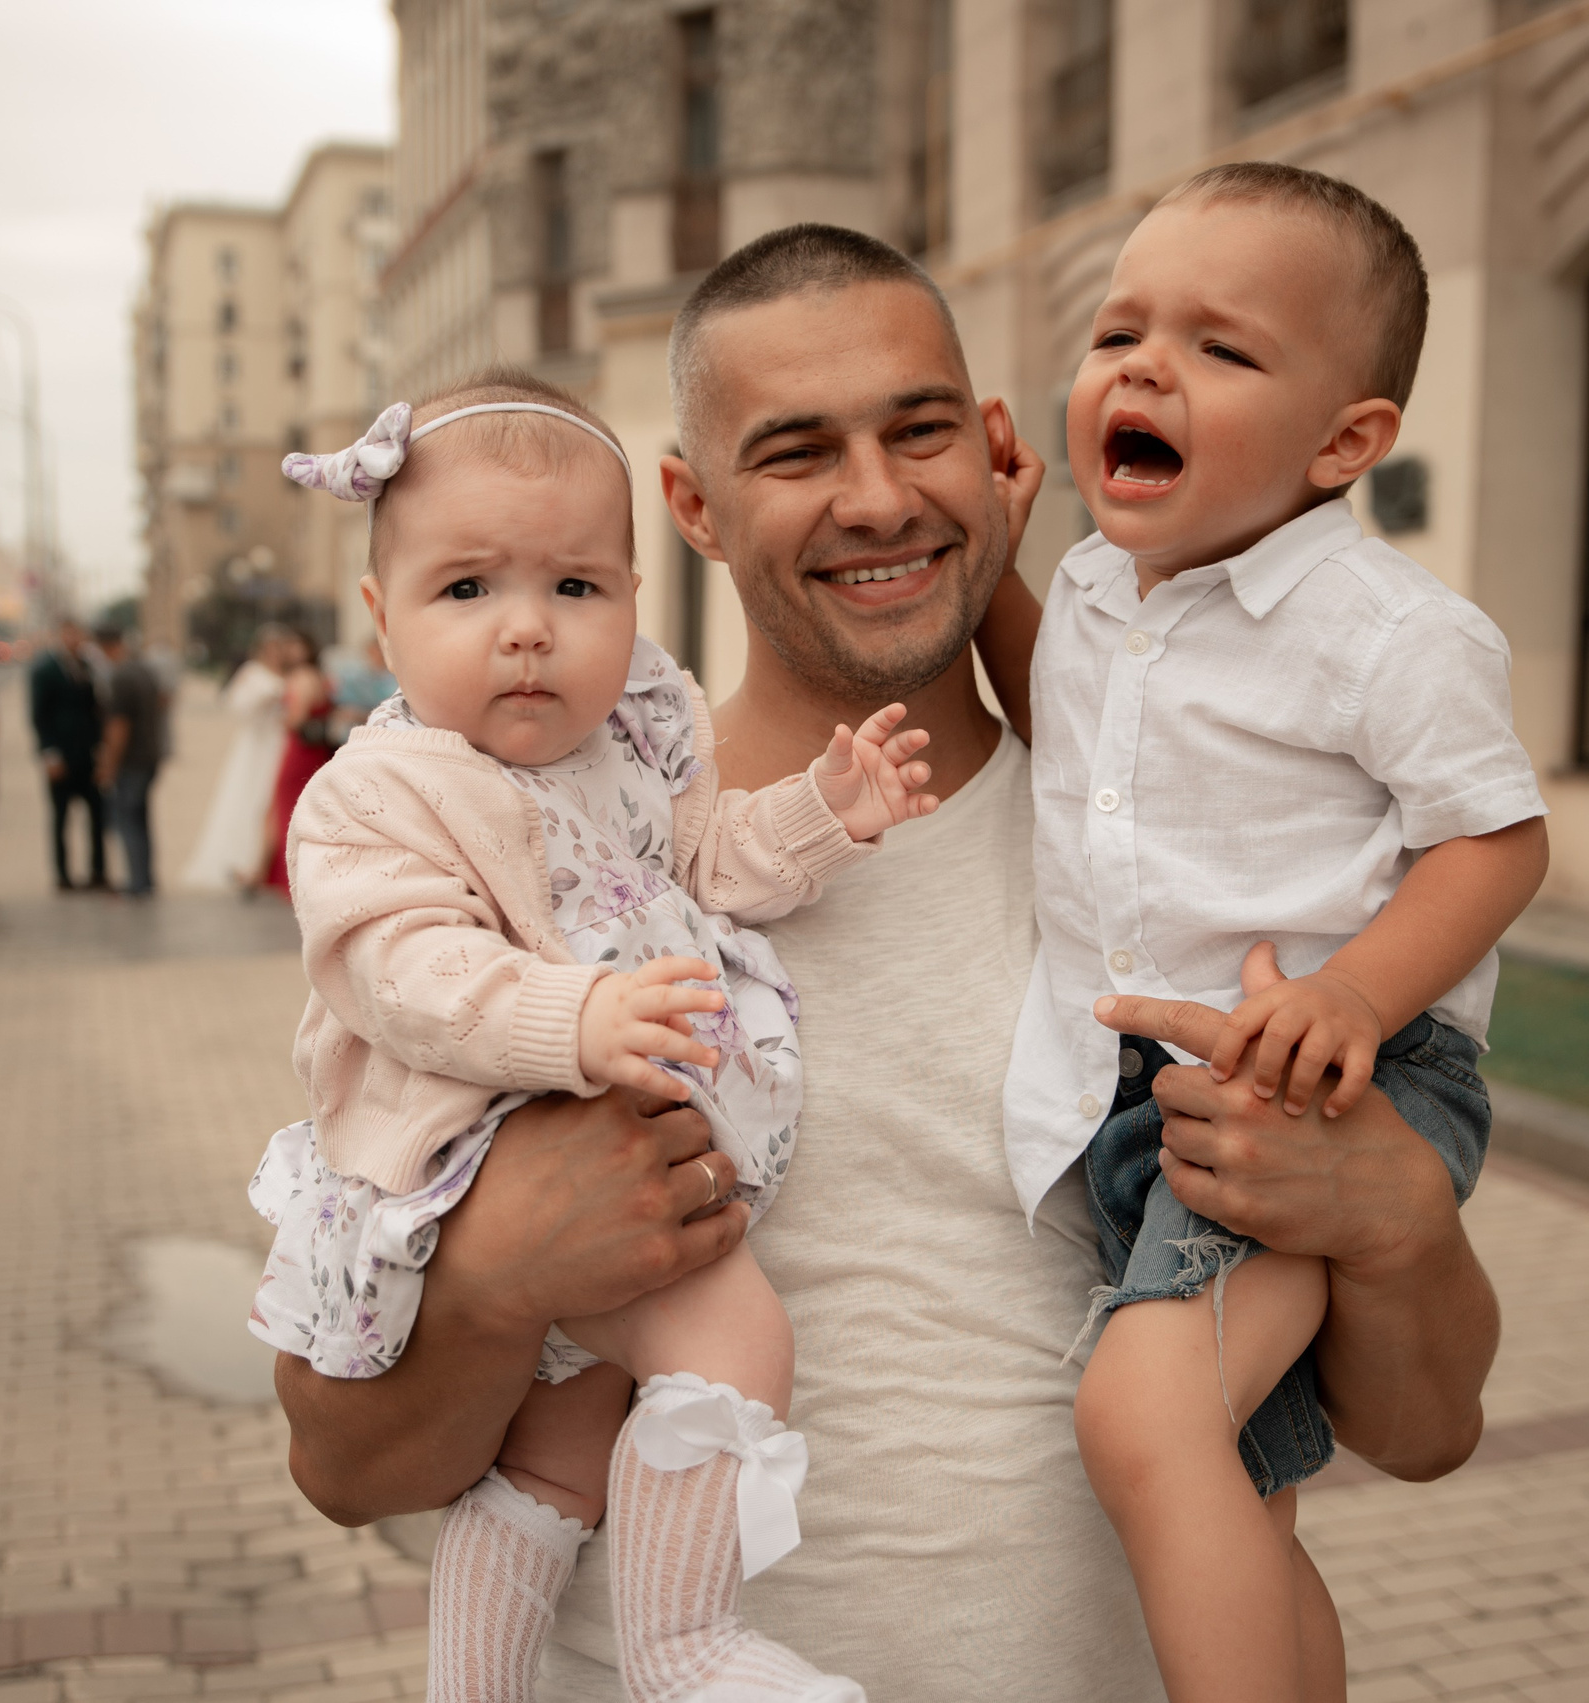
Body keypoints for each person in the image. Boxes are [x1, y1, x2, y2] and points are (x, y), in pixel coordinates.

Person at [272, 225, 1503, 1703]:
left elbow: (1428, 1430)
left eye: (919, 431)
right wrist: (492, 1279)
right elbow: (344, 1465)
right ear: (694, 504)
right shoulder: (533, 878)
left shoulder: (1196, 871)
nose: (875, 498)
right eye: (795, 452)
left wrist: (1398, 1221)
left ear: (994, 453)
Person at [258, 373, 937, 1703]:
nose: (526, 631)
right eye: (468, 591)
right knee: (736, 1338)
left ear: (633, 598)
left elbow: (710, 860)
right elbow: (401, 969)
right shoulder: (374, 794)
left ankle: (475, 1685)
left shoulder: (632, 745)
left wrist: (826, 812)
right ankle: (683, 1642)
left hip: (624, 1150)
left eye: (575, 589)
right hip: (500, 1159)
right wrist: (577, 1016)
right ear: (380, 617)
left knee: (555, 1458)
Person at [973, 164, 1550, 1702]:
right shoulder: (1101, 588)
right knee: (1240, 1487)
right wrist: (989, 590)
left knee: (1143, 1415)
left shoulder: (1385, 630)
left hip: (1327, 1074)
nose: (1146, 369)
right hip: (1151, 1096)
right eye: (1118, 334)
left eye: (1222, 349)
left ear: (1345, 440)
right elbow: (1064, 719)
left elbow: (1496, 837)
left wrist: (1358, 993)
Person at [180, 624, 296, 893]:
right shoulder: (252, 673)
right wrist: (268, 697)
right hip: (257, 744)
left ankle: (268, 863)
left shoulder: (288, 673)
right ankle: (245, 860)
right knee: (252, 798)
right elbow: (236, 706)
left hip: (280, 742)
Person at [29, 619, 108, 892]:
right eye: (69, 634)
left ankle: (98, 871)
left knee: (98, 815)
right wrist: (49, 754)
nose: (74, 639)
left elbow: (97, 708)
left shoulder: (89, 666)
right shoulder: (46, 670)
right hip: (62, 753)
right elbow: (39, 715)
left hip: (88, 752)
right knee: (61, 817)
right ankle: (62, 874)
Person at [258, 628, 338, 896]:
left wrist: (278, 717)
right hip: (316, 752)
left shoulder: (300, 677)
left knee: (287, 809)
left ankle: (287, 874)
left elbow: (297, 718)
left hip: (298, 751)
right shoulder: (320, 676)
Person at [93, 624, 166, 898]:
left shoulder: (121, 677)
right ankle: (145, 878)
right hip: (149, 754)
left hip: (132, 760)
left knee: (128, 820)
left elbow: (118, 726)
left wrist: (108, 764)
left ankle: (137, 883)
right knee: (141, 819)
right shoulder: (144, 670)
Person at [322, 631, 398, 744]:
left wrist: (360, 715)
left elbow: (394, 711)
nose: (375, 655)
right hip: (347, 738)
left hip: (380, 738)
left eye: (378, 650)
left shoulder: (393, 680)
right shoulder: (354, 674)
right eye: (372, 650)